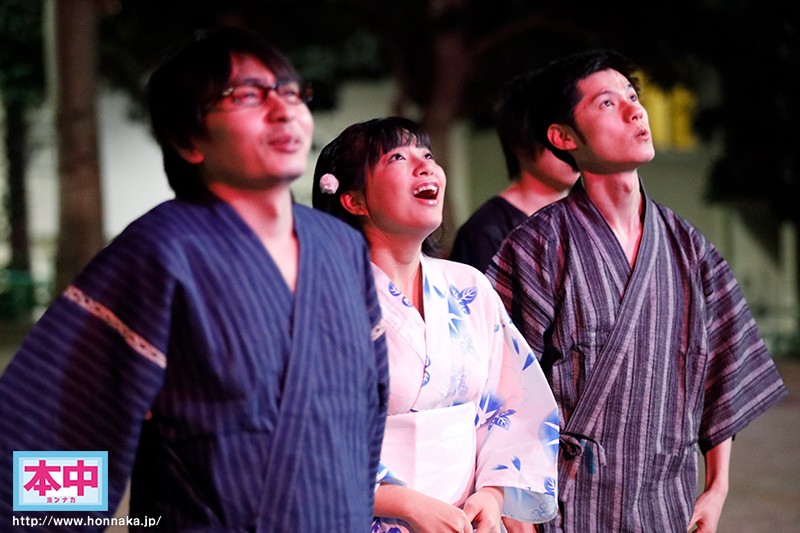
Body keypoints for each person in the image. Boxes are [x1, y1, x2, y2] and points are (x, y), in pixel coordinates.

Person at [0, 28, 389, 531]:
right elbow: (57, 433)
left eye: (291, 92)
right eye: (247, 95)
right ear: (188, 140)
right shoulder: (159, 253)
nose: (284, 110)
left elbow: (368, 411)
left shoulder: (340, 247)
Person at [486, 49, 787, 532]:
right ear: (564, 137)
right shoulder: (537, 245)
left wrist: (717, 487)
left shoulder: (689, 248)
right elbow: (499, 388)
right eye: (607, 103)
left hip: (667, 502)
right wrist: (512, 511)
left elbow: (724, 370)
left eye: (632, 96)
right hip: (567, 506)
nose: (634, 111)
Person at [312, 117, 559, 533]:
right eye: (398, 158)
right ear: (354, 201)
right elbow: (306, 430)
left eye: (427, 155)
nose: (425, 165)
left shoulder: (468, 286)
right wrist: (404, 502)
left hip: (468, 520)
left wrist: (492, 494)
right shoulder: (323, 297)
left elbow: (517, 403)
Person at [449, 69, 579, 272]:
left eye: (576, 133)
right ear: (519, 142)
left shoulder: (589, 216)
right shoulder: (485, 233)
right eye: (558, 135)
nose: (571, 146)